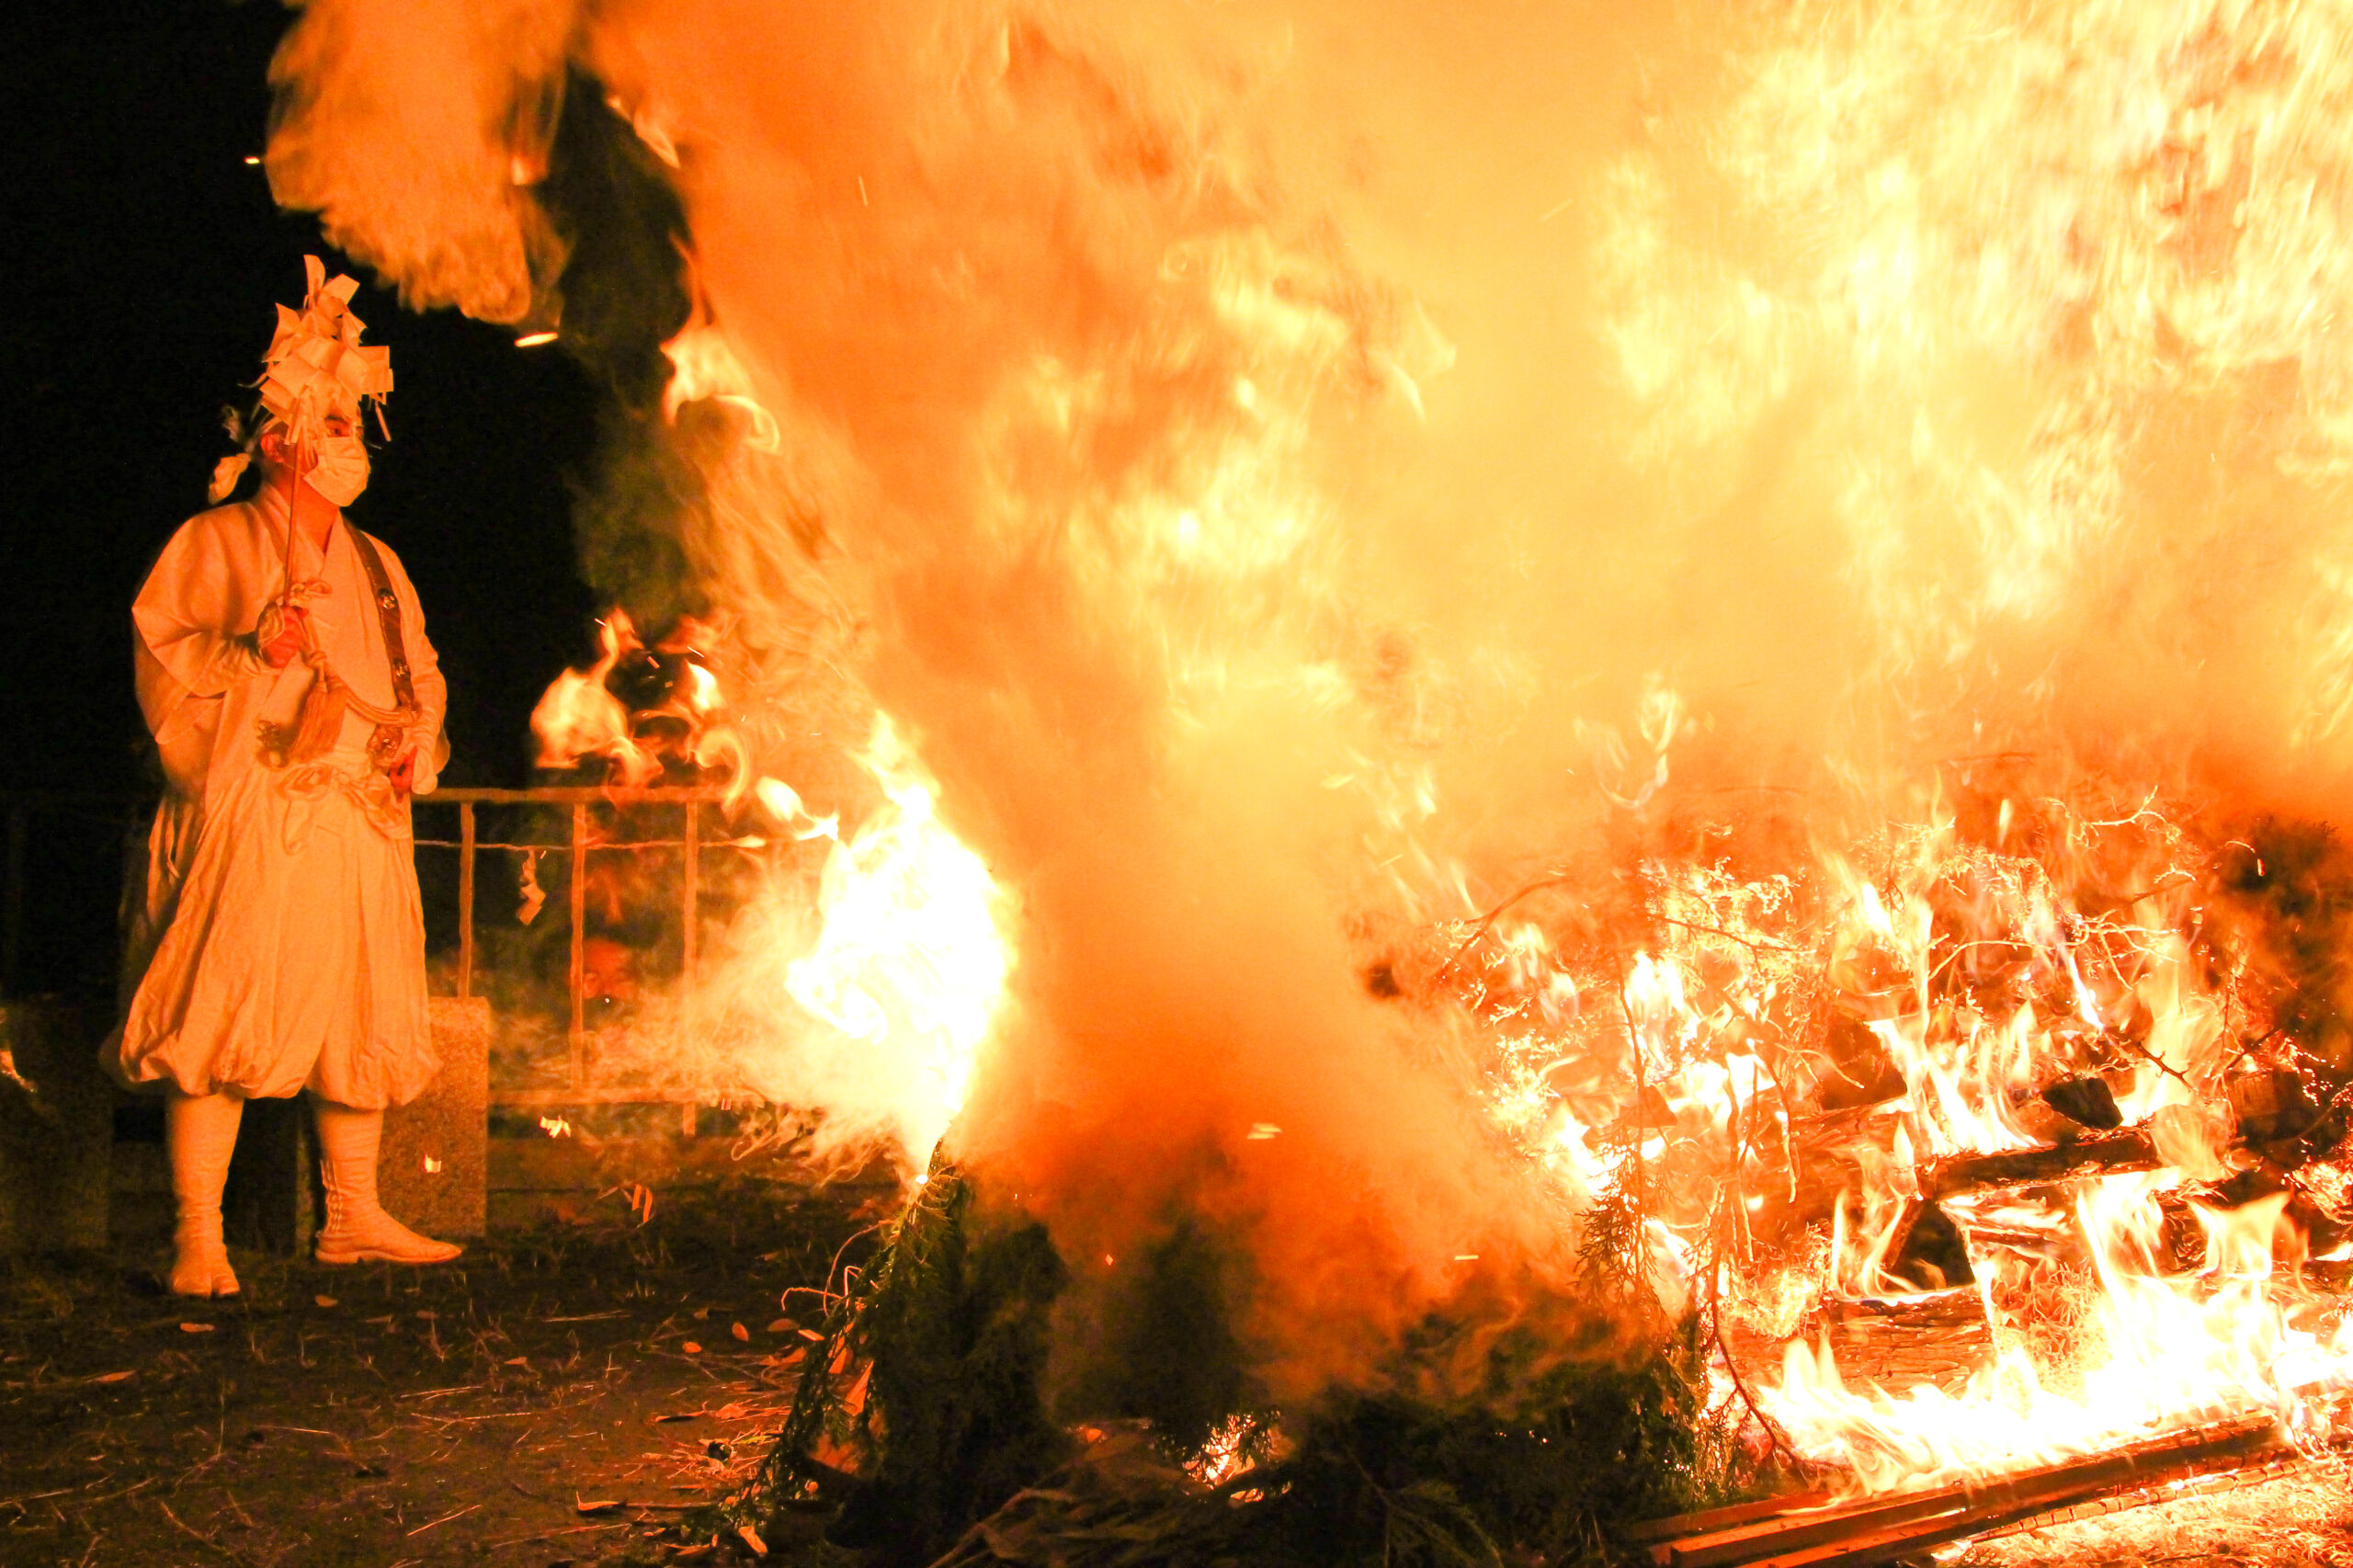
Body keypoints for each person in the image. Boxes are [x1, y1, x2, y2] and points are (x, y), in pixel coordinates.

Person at [114, 257, 460, 1296]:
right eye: (337, 423)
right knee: (222, 1008)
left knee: (362, 1011)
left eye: (355, 424)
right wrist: (247, 654)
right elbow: (164, 659)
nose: (353, 444)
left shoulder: (380, 562)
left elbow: (421, 674)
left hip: (360, 816)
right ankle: (198, 1238)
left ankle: (352, 1218)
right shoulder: (214, 541)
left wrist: (416, 741)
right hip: (257, 810)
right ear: (277, 439)